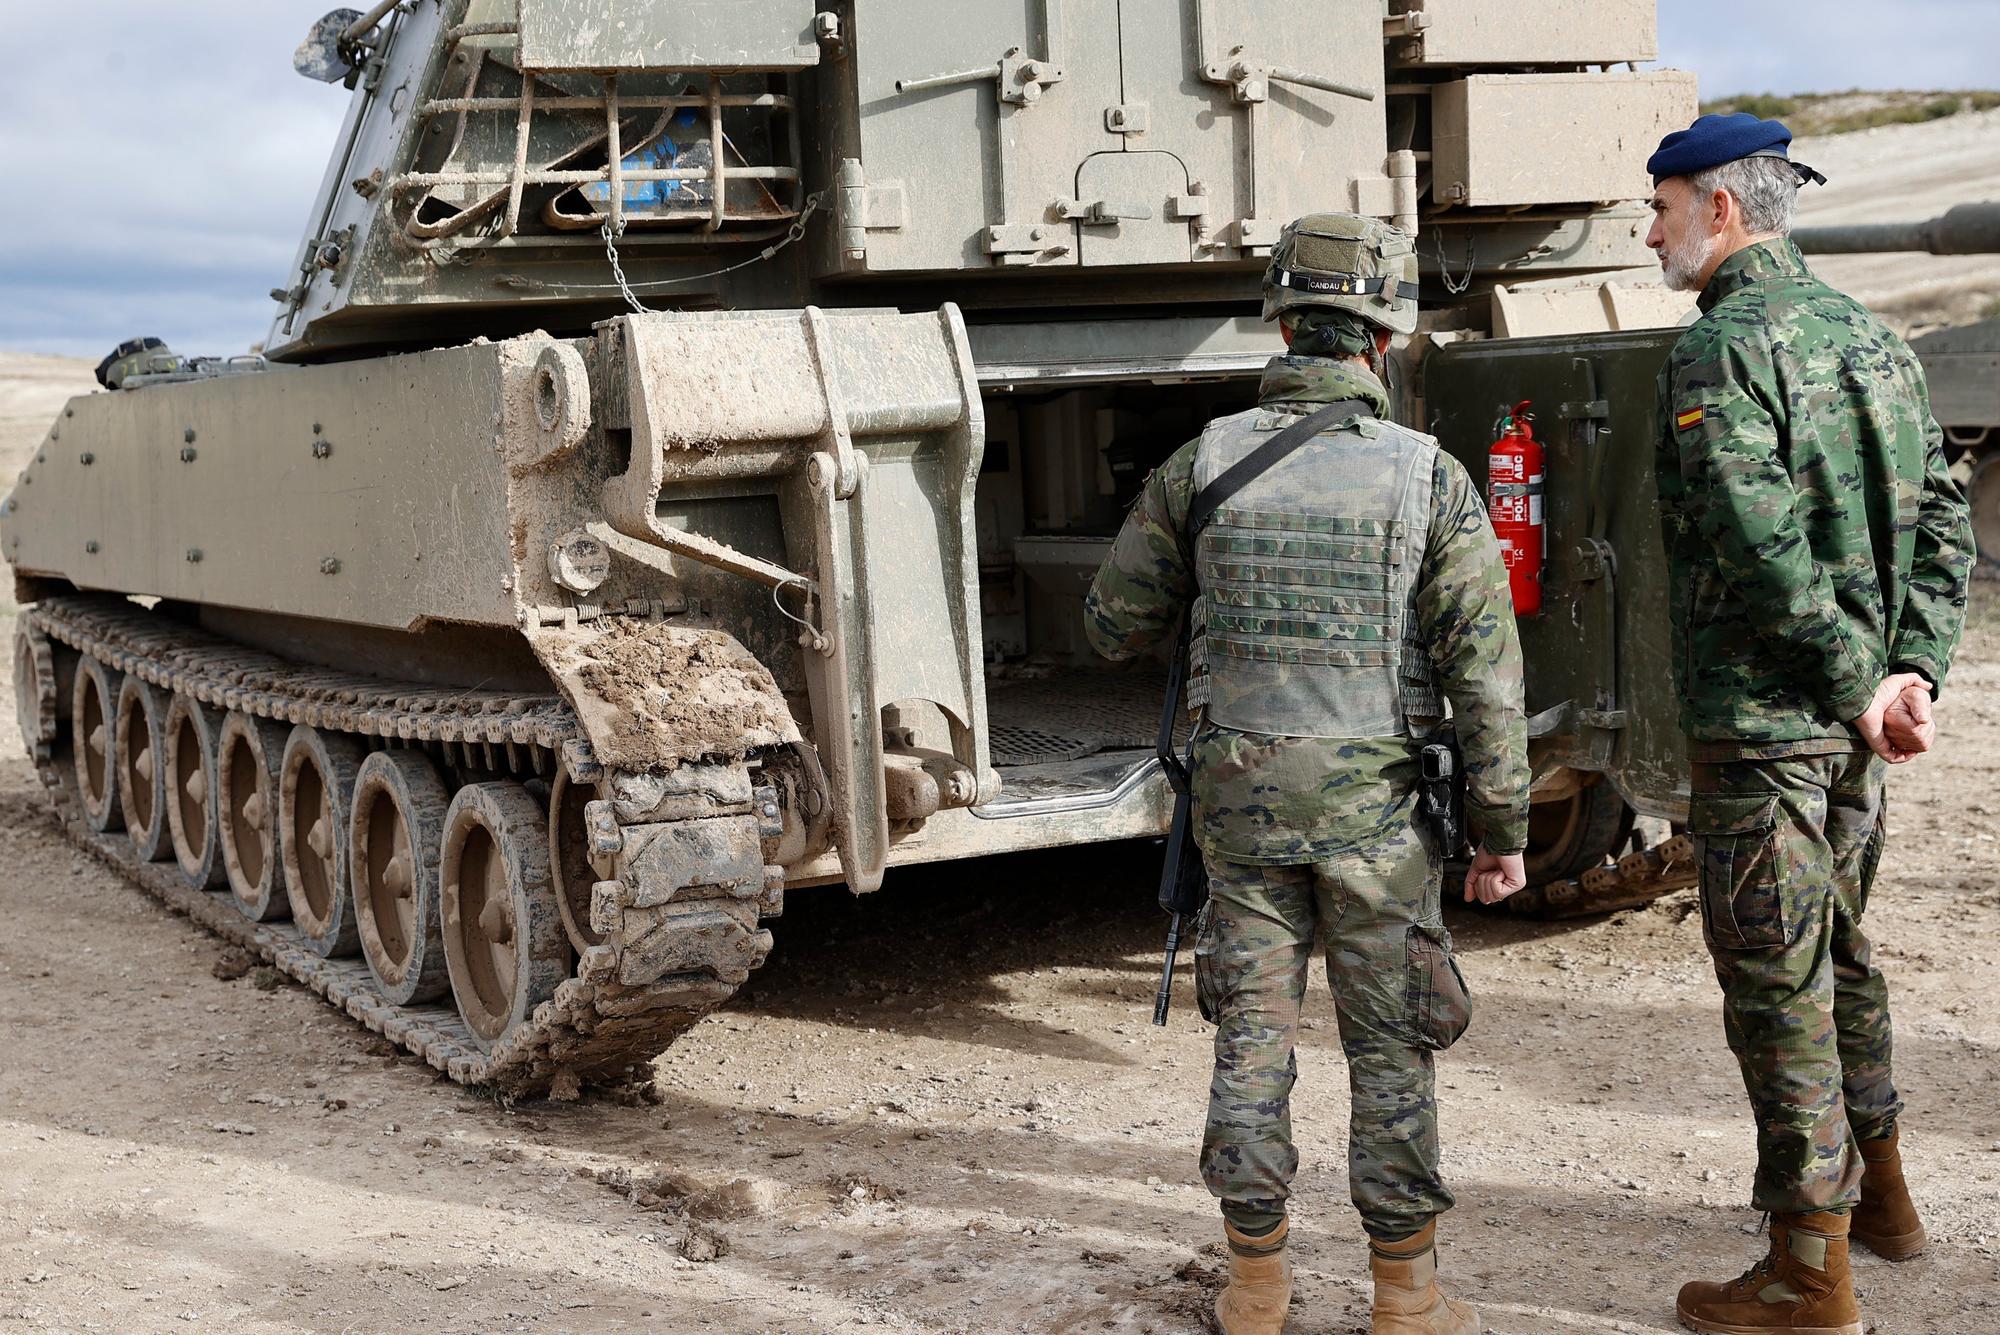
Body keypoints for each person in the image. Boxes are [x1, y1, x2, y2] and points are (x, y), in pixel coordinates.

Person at [1084, 213, 1530, 1335]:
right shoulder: (1428, 479)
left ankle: (1253, 1289)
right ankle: (1405, 1299)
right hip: (1381, 818)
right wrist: (1501, 828)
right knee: (1390, 1051)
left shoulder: (1203, 463)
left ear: (1281, 323)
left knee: (1249, 1042)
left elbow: (1107, 625)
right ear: (1379, 339)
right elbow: (1486, 673)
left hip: (1239, 813)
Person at [1646, 113, 1974, 1335]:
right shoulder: (1874, 341)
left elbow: (1754, 542)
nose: (1651, 231)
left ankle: (1804, 1274)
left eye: (1664, 209)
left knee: (1774, 988)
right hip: (1849, 737)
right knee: (1836, 952)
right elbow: (1946, 526)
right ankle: (1879, 1203)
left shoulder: (1719, 350)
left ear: (1720, 210)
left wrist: (1854, 681)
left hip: (1766, 728)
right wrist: (1905, 675)